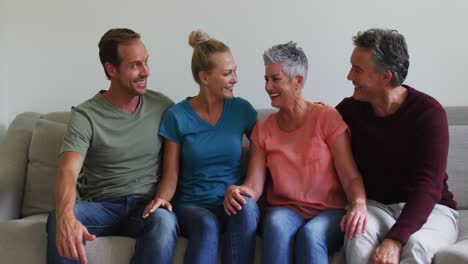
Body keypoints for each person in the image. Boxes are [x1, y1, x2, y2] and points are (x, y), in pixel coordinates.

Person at [224, 41, 368, 264]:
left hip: (329, 212)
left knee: (310, 237)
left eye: (275, 79)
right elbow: (254, 185)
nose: (268, 86)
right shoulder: (264, 129)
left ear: (298, 82)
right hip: (285, 211)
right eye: (266, 79)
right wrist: (239, 190)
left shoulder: (326, 118)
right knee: (275, 226)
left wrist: (359, 203)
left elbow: (350, 176)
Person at [45, 28, 178, 264]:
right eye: (135, 65)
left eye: (146, 62)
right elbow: (67, 170)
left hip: (145, 207)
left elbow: (171, 169)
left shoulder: (163, 107)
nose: (146, 72)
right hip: (100, 207)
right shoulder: (86, 115)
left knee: (165, 221)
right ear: (111, 69)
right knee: (60, 219)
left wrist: (162, 198)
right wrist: (67, 216)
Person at [336, 28, 459, 264]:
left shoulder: (429, 113)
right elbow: (317, 131)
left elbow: (429, 186)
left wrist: (396, 239)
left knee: (416, 246)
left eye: (357, 70)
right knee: (357, 235)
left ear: (386, 76)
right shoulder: (348, 111)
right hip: (376, 207)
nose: (349, 76)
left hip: (433, 209)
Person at [142, 30, 259, 264]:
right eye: (227, 73)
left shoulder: (242, 110)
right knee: (207, 224)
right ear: (204, 77)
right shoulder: (177, 116)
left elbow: (265, 147)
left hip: (231, 201)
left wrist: (244, 188)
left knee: (246, 209)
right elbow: (170, 174)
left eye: (235, 71)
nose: (235, 78)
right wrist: (162, 199)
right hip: (192, 206)